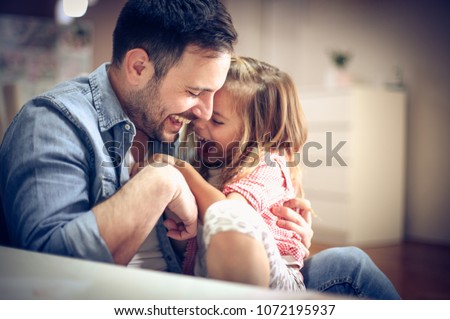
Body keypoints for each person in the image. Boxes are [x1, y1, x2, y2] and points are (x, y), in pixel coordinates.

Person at [0, 0, 399, 300]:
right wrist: (161, 182)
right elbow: (48, 280)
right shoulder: (52, 125)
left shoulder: (167, 120)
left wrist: (279, 234)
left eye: (212, 95)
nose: (204, 113)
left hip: (195, 279)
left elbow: (238, 207)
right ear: (139, 67)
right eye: (194, 92)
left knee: (348, 264)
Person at [152, 56, 309, 292]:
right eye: (203, 112)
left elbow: (229, 211)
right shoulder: (210, 161)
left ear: (258, 131)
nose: (200, 123)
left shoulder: (268, 164)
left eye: (216, 120)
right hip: (212, 276)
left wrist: (179, 168)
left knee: (228, 215)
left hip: (278, 284)